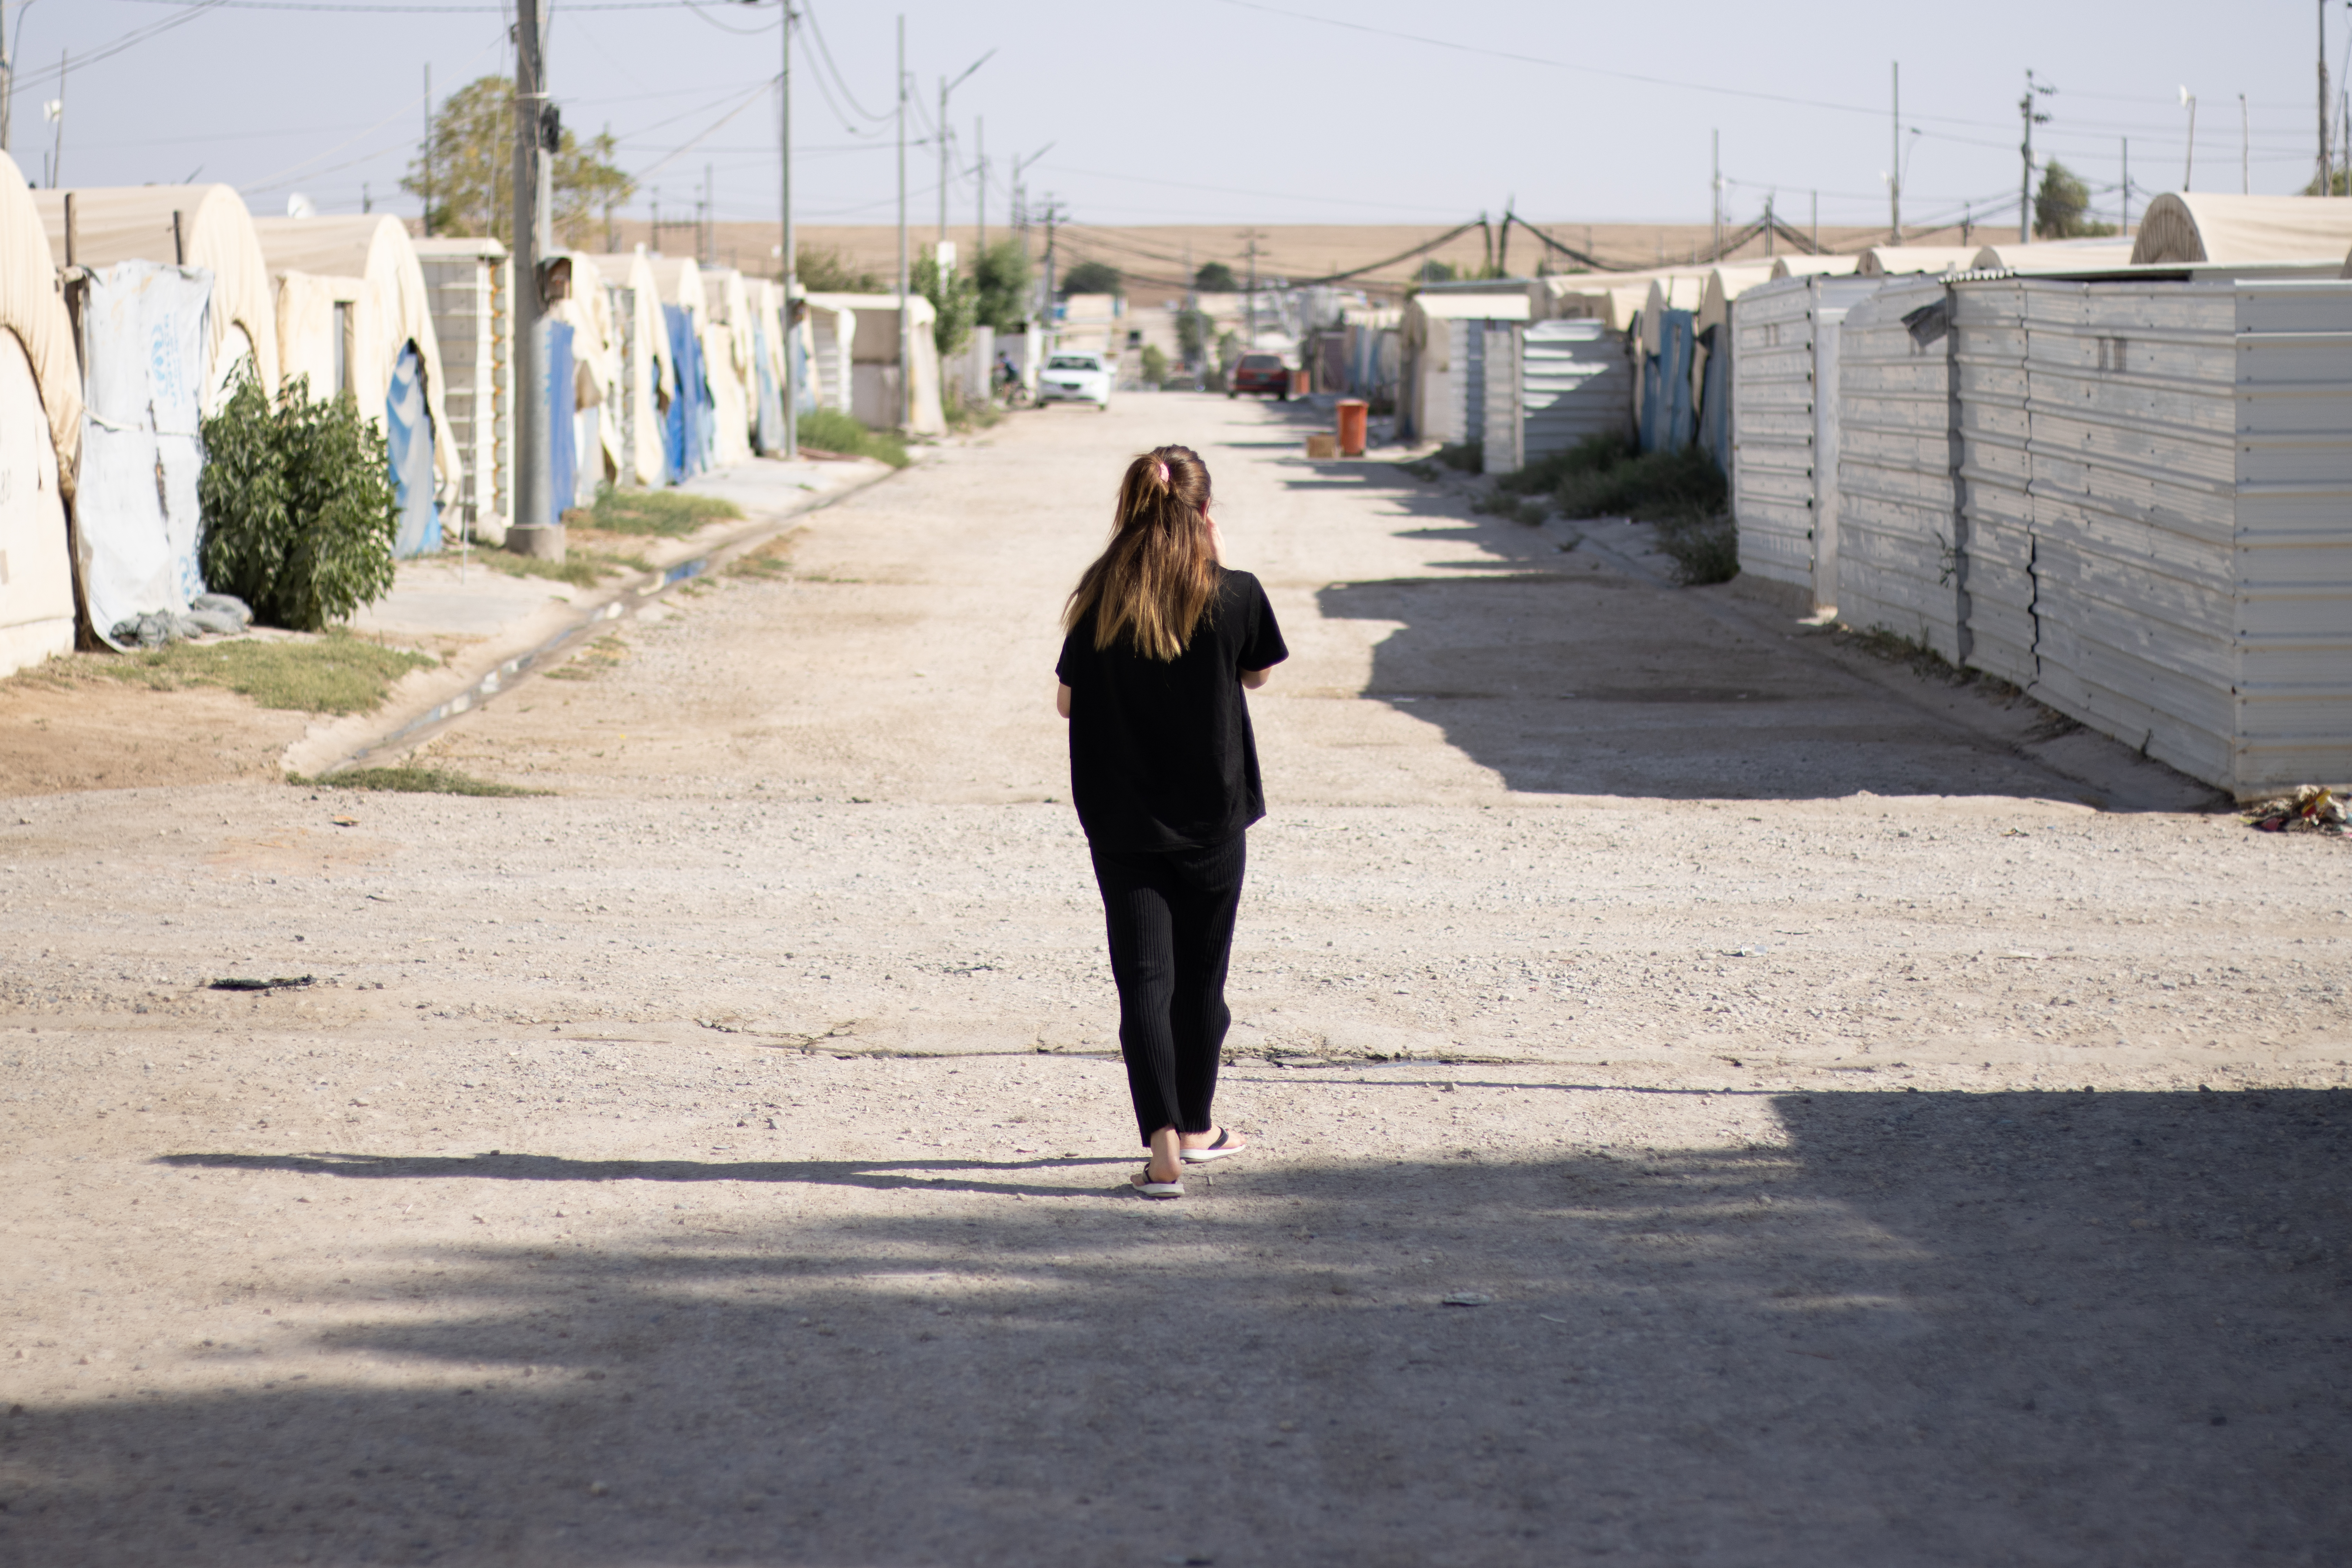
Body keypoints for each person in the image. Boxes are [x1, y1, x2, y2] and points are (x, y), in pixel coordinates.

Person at [1056, 445, 1287, 1199]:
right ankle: (1196, 1127)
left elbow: (1066, 702)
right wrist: (1213, 562)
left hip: (1121, 819)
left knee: (1144, 981)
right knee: (1201, 982)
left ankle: (1163, 1153)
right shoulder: (1236, 592)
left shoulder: (1099, 594)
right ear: (1204, 511)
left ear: (1130, 509)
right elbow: (1255, 673)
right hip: (1212, 816)